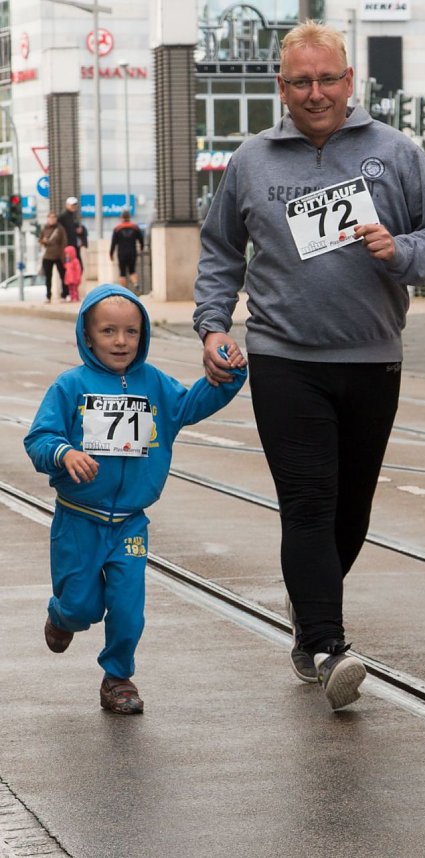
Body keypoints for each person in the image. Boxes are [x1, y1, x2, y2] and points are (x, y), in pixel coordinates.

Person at [193, 21, 425, 711]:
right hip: (284, 358)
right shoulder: (251, 161)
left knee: (349, 512)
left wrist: (399, 249)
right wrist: (213, 324)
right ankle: (324, 645)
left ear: (350, 81)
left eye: (327, 79)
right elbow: (221, 250)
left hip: (371, 356)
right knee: (308, 501)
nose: (315, 93)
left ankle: (307, 604)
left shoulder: (395, 153)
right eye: (299, 82)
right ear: (279, 88)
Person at [24, 284, 247, 715]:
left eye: (131, 331)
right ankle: (61, 617)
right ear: (87, 336)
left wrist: (230, 374)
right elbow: (39, 439)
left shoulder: (155, 384)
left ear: (143, 334)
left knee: (128, 608)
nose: (121, 341)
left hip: (130, 523)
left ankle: (118, 678)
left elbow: (193, 404)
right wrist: (64, 453)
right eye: (108, 331)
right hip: (78, 520)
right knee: (81, 607)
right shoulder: (70, 386)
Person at [109, 210, 145, 292]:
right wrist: (142, 248)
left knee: (122, 273)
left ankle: (124, 290)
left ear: (121, 217)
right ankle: (136, 285)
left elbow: (113, 243)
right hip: (132, 252)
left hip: (121, 253)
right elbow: (141, 240)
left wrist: (110, 254)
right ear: (129, 217)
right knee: (132, 270)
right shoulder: (135, 228)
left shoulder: (117, 229)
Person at [38, 211, 66, 303]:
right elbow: (40, 241)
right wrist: (43, 241)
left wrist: (63, 255)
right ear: (47, 219)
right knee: (48, 277)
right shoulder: (44, 229)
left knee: (63, 276)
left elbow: (64, 242)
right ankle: (48, 296)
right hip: (47, 256)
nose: (52, 219)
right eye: (50, 218)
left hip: (58, 256)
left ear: (56, 219)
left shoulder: (60, 229)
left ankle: (64, 295)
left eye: (53, 217)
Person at [58, 196, 83, 278]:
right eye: (72, 205)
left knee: (79, 268)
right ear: (67, 205)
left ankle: (74, 288)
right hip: (67, 246)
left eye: (75, 205)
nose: (73, 207)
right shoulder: (63, 217)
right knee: (68, 269)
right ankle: (68, 290)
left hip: (75, 246)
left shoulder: (74, 216)